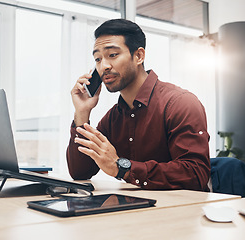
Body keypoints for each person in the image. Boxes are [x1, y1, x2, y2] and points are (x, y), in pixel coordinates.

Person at [66, 19, 210, 191]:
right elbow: (80, 172)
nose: (103, 66)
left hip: (181, 211)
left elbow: (195, 174)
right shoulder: (114, 117)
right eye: (98, 59)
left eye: (112, 55)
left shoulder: (180, 103)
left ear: (139, 56)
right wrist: (82, 112)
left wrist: (123, 168)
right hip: (137, 209)